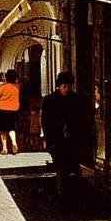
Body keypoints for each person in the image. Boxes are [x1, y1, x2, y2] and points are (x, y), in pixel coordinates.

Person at [41, 70, 86, 199]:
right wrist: (47, 139)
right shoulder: (49, 100)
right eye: (64, 86)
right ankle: (62, 196)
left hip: (73, 140)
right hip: (57, 140)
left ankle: (75, 194)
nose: (66, 89)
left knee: (74, 168)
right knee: (61, 168)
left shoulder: (77, 99)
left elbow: (82, 120)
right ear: (58, 86)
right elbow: (45, 122)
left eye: (68, 86)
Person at [0, 69, 21, 155]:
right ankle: (14, 142)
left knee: (3, 130)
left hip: (3, 110)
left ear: (6, 77)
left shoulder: (3, 87)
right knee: (12, 128)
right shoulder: (17, 87)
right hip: (14, 110)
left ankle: (4, 148)